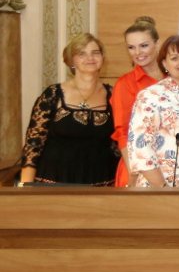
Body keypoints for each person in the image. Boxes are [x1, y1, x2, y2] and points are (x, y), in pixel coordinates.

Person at [18, 33, 119, 186]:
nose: (90, 58)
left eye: (95, 52)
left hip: (102, 183)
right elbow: (34, 143)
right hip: (54, 181)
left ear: (102, 58)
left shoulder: (114, 94)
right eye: (81, 54)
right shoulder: (53, 94)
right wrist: (25, 186)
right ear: (72, 61)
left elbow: (120, 141)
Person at [126, 35, 179, 188]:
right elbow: (140, 148)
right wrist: (163, 189)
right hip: (163, 187)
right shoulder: (151, 96)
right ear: (164, 63)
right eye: (175, 58)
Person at [111, 16, 163, 187]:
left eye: (144, 45)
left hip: (175, 161)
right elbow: (123, 132)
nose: (138, 53)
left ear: (158, 44)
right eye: (131, 47)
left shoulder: (176, 78)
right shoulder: (125, 83)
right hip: (137, 167)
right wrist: (133, 171)